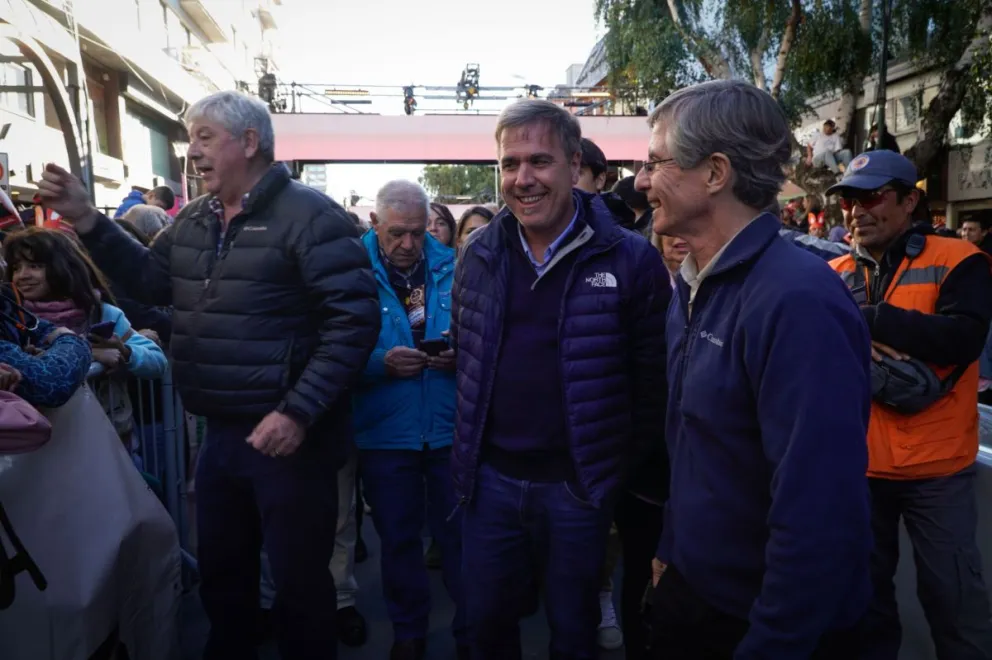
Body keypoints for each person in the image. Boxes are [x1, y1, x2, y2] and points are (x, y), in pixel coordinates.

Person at [37, 90, 381, 660]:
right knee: (224, 578)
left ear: (249, 142)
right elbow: (150, 281)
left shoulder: (312, 215)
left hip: (294, 440)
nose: (191, 150)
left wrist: (298, 412)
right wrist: (88, 219)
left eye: (203, 136)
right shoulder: (196, 218)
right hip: (221, 434)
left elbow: (354, 322)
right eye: (189, 138)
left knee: (300, 585)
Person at [635, 79, 872, 658]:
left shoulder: (798, 299)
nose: (641, 181)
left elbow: (819, 507)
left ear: (715, 173)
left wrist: (774, 642)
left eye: (656, 162)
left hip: (757, 621)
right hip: (693, 592)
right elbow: (692, 442)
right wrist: (670, 550)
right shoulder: (692, 284)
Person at [451, 99, 669, 660]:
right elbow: (468, 357)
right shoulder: (477, 254)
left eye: (539, 161)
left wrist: (606, 473)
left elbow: (653, 383)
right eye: (510, 163)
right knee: (485, 628)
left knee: (574, 633)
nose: (522, 178)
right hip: (490, 485)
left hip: (578, 490)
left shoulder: (631, 259)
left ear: (575, 166)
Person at [826, 150, 992, 660]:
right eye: (849, 201)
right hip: (860, 466)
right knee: (866, 603)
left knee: (953, 600)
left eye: (872, 197)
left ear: (909, 201)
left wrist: (869, 320)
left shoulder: (958, 259)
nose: (858, 211)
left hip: (937, 468)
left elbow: (963, 338)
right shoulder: (833, 271)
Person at [356, 180, 465, 660]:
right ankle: (408, 631)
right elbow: (328, 346)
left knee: (459, 537)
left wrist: (461, 354)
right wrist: (378, 364)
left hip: (447, 426)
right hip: (384, 430)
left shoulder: (455, 266)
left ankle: (471, 630)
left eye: (418, 233)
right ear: (374, 223)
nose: (408, 244)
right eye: (396, 233)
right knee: (398, 539)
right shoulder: (350, 271)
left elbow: (485, 333)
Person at [4, 227, 167, 381]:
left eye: (35, 266)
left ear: (63, 267)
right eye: (16, 268)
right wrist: (88, 353)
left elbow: (157, 361)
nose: (22, 275)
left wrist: (124, 350)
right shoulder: (9, 318)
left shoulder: (101, 313)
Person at [0, 284, 91, 408]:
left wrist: (42, 352)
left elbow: (44, 330)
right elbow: (53, 380)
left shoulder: (6, 301)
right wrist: (70, 339)